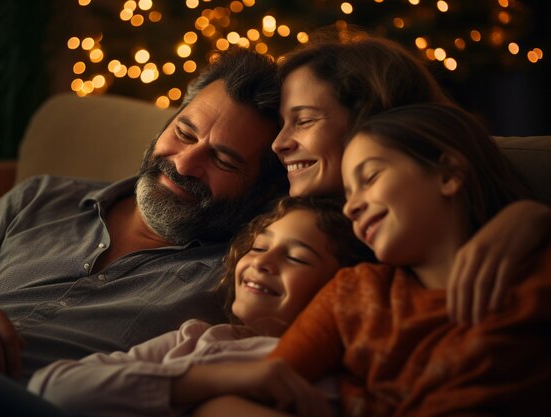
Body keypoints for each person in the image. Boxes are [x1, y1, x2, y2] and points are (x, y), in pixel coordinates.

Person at [0, 47, 289, 383]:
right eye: (184, 132)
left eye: (223, 160)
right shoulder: (40, 197)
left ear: (262, 190)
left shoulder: (237, 276)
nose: (184, 163)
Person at [195, 103, 551, 417]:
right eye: (348, 193)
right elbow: (233, 402)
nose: (352, 206)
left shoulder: (535, 276)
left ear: (448, 174)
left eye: (370, 177)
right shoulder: (355, 293)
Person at [270, 28, 551, 324]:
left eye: (303, 120)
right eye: (282, 123)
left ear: (373, 119)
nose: (278, 143)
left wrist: (531, 218)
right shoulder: (285, 221)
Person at [26, 196, 367, 417]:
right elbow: (52, 389)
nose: (264, 263)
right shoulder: (195, 339)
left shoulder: (341, 371)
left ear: (342, 288)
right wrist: (214, 379)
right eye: (259, 247)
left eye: (297, 258)